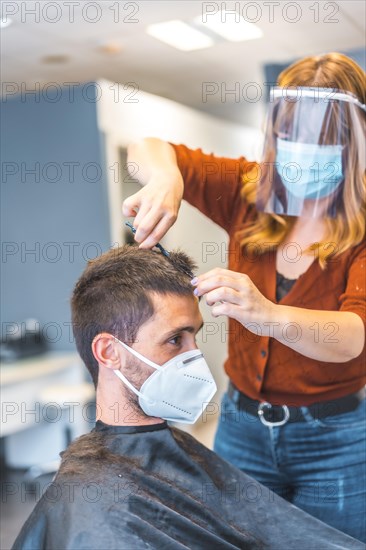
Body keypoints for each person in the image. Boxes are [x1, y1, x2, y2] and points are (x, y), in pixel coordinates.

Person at [122, 52, 366, 542]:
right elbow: (143, 147)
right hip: (241, 426)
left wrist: (267, 314)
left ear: (353, 145)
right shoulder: (247, 189)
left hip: (336, 441)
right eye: (290, 135)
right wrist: (168, 177)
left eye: (322, 140)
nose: (301, 150)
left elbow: (353, 338)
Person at [11, 245, 364, 550]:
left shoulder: (179, 456)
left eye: (194, 337)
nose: (195, 358)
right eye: (175, 340)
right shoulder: (91, 506)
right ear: (109, 352)